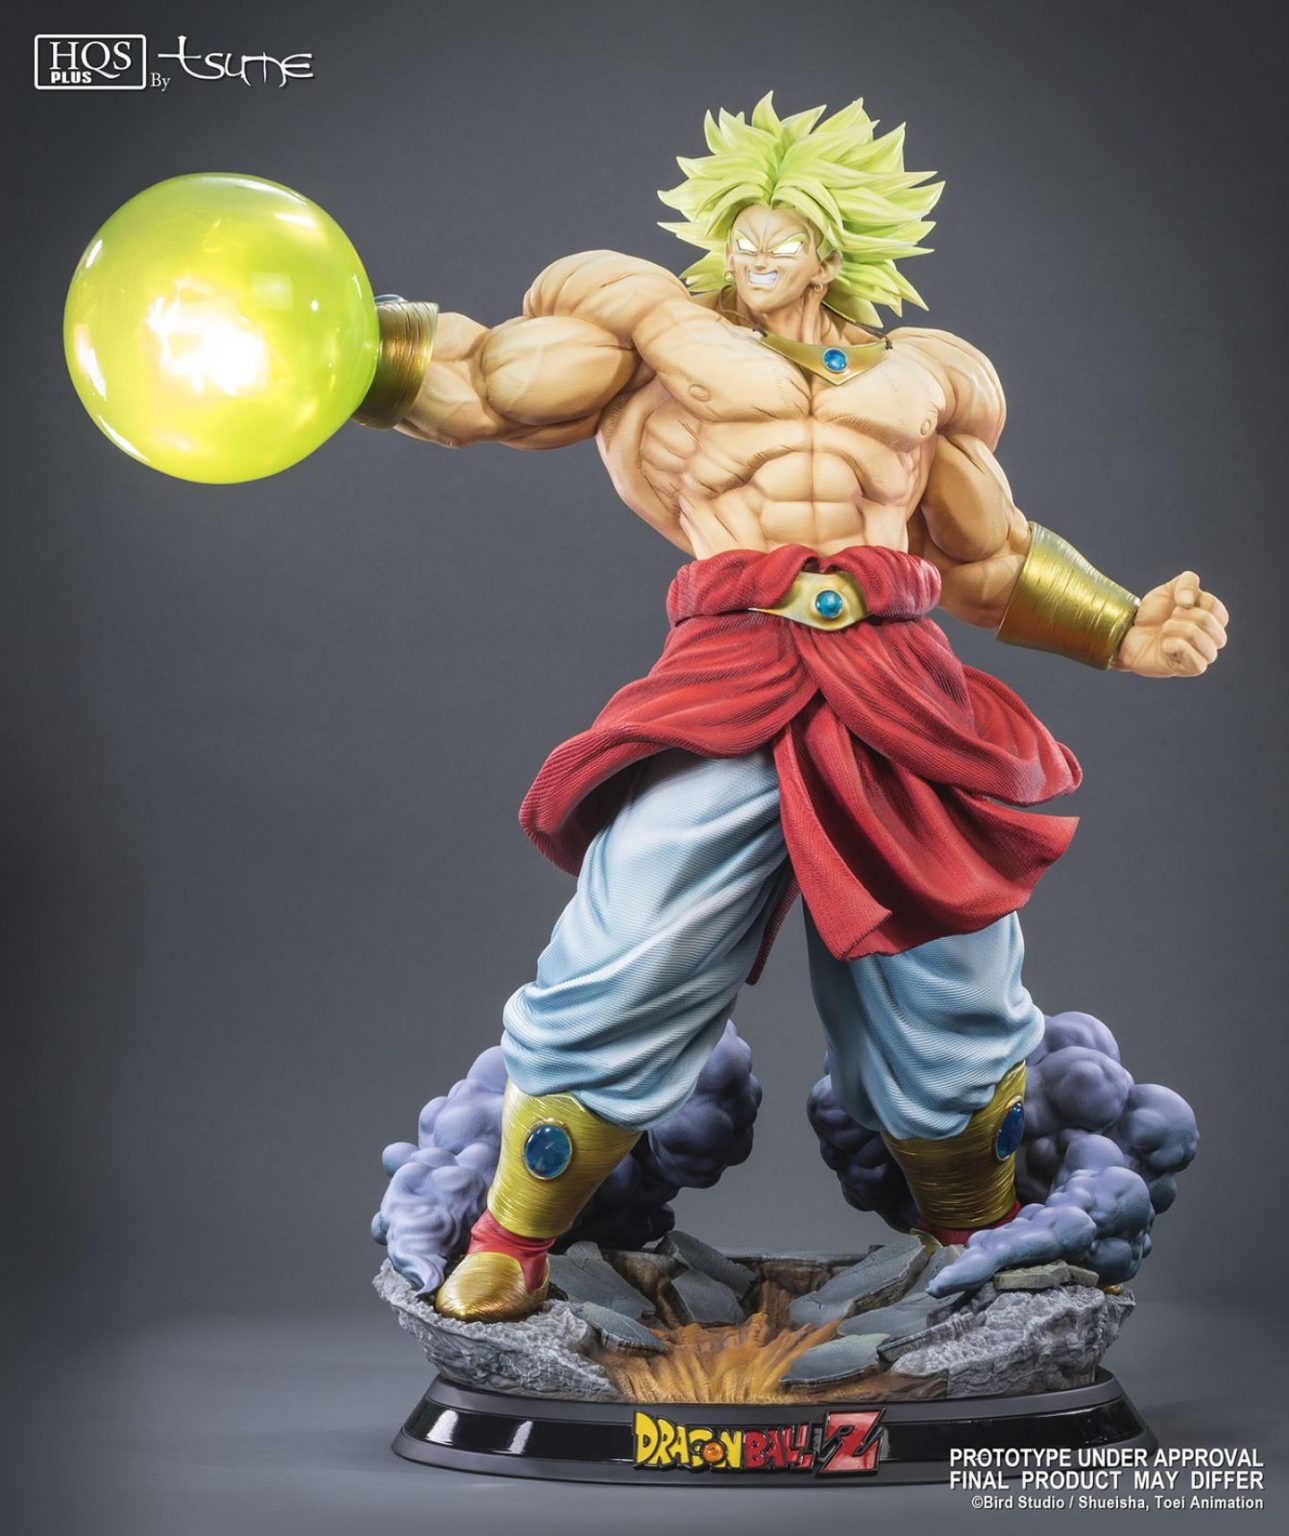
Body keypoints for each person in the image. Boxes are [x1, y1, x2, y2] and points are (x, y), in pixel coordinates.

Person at [355, 95, 1228, 1322]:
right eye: (744, 226)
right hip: (734, 668)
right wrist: (336, 350)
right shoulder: (651, 324)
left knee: (949, 978)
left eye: (789, 230)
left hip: (894, 679)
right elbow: (479, 385)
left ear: (835, 248)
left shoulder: (925, 376)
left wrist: (1123, 628)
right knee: (631, 943)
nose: (760, 249)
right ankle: (513, 1235)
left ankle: (978, 1249)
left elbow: (984, 558)